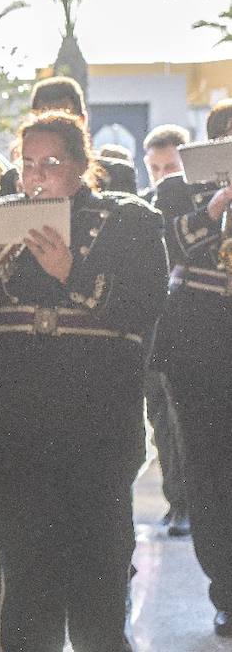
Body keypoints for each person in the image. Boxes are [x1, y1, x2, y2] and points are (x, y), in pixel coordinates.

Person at [0, 111, 168, 652]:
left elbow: (145, 305)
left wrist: (70, 271)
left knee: (98, 547)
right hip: (10, 415)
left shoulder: (131, 219)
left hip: (95, 416)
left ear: (82, 166)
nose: (36, 176)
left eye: (51, 163)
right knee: (22, 554)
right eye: (27, 164)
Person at [152, 100, 232, 638]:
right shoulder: (176, 192)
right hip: (200, 347)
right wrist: (217, 206)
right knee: (208, 471)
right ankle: (225, 589)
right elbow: (175, 244)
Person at [142, 124, 193, 537]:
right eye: (155, 168)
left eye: (170, 167)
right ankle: (176, 501)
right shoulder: (141, 208)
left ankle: (191, 504)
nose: (162, 176)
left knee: (185, 421)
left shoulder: (194, 207)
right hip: (155, 327)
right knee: (159, 418)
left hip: (191, 326)